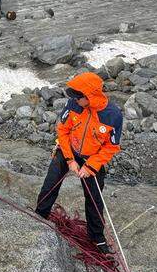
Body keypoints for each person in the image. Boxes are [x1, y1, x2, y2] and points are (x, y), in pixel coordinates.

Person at [35, 72, 123, 254]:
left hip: (93, 158)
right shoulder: (74, 104)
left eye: (78, 97)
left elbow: (111, 147)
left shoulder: (113, 115)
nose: (75, 100)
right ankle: (40, 215)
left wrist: (91, 166)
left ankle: (97, 238)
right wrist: (69, 159)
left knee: (94, 199)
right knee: (50, 184)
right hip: (68, 150)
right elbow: (63, 130)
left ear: (90, 96)